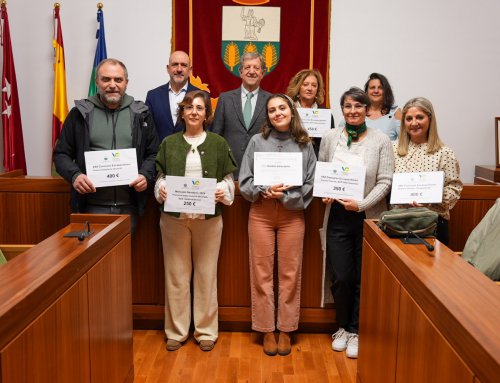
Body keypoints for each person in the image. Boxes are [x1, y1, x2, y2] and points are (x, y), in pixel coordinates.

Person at [154, 90, 237, 352]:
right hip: (174, 221)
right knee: (176, 275)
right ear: (182, 112)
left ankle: (205, 331)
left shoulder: (218, 143)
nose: (194, 112)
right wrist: (161, 189)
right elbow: (160, 177)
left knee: (206, 274)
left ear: (206, 114)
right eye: (189, 107)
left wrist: (224, 191)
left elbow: (227, 179)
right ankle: (177, 331)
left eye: (199, 108)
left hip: (208, 220)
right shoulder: (168, 143)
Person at [318, 87, 393, 359]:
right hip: (337, 216)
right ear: (342, 110)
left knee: (363, 277)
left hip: (367, 218)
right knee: (341, 277)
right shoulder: (330, 137)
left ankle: (356, 330)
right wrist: (325, 192)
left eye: (358, 106)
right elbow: (322, 170)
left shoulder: (381, 140)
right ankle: (341, 327)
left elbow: (385, 180)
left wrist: (361, 204)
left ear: (367, 110)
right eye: (348, 106)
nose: (353, 111)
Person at [239, 94, 316, 356]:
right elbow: (244, 181)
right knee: (261, 272)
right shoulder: (257, 141)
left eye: (282, 108)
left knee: (289, 273)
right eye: (272, 110)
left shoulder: (304, 144)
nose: (277, 113)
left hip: (292, 215)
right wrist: (263, 190)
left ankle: (285, 328)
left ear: (291, 111)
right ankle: (266, 329)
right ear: (268, 115)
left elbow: (310, 184)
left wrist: (286, 196)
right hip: (261, 213)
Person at [54, 58, 159, 233]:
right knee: (93, 258)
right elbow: (61, 154)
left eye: (118, 80)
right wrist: (75, 176)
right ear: (97, 82)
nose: (112, 85)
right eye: (106, 79)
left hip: (129, 206)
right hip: (90, 206)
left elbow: (154, 153)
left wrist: (145, 175)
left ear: (126, 83)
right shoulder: (80, 114)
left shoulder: (141, 114)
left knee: (122, 259)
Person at [393, 97, 463, 245]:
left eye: (419, 117)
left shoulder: (445, 153)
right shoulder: (393, 150)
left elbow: (454, 188)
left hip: (433, 224)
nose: (414, 123)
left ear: (430, 119)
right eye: (409, 118)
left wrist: (431, 197)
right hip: (398, 223)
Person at [212, 52, 271, 179]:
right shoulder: (225, 99)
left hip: (261, 171)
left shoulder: (271, 101)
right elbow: (216, 136)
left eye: (256, 68)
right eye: (247, 67)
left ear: (263, 73)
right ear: (240, 72)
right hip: (229, 170)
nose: (251, 71)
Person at [146, 51, 201, 141]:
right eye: (175, 64)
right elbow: (148, 131)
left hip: (191, 153)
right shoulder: (153, 96)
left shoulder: (201, 96)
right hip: (160, 153)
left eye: (183, 65)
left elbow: (207, 130)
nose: (179, 69)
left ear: (190, 70)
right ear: (168, 69)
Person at [286, 69, 335, 157]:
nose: (310, 88)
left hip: (317, 160)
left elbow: (330, 143)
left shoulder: (326, 115)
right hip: (291, 158)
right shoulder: (289, 111)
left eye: (314, 85)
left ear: (317, 89)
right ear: (298, 87)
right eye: (305, 85)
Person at [338, 73, 401, 141]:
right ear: (367, 91)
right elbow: (340, 135)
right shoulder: (357, 112)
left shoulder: (395, 113)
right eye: (372, 87)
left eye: (380, 88)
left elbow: (404, 141)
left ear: (386, 91)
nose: (376, 91)